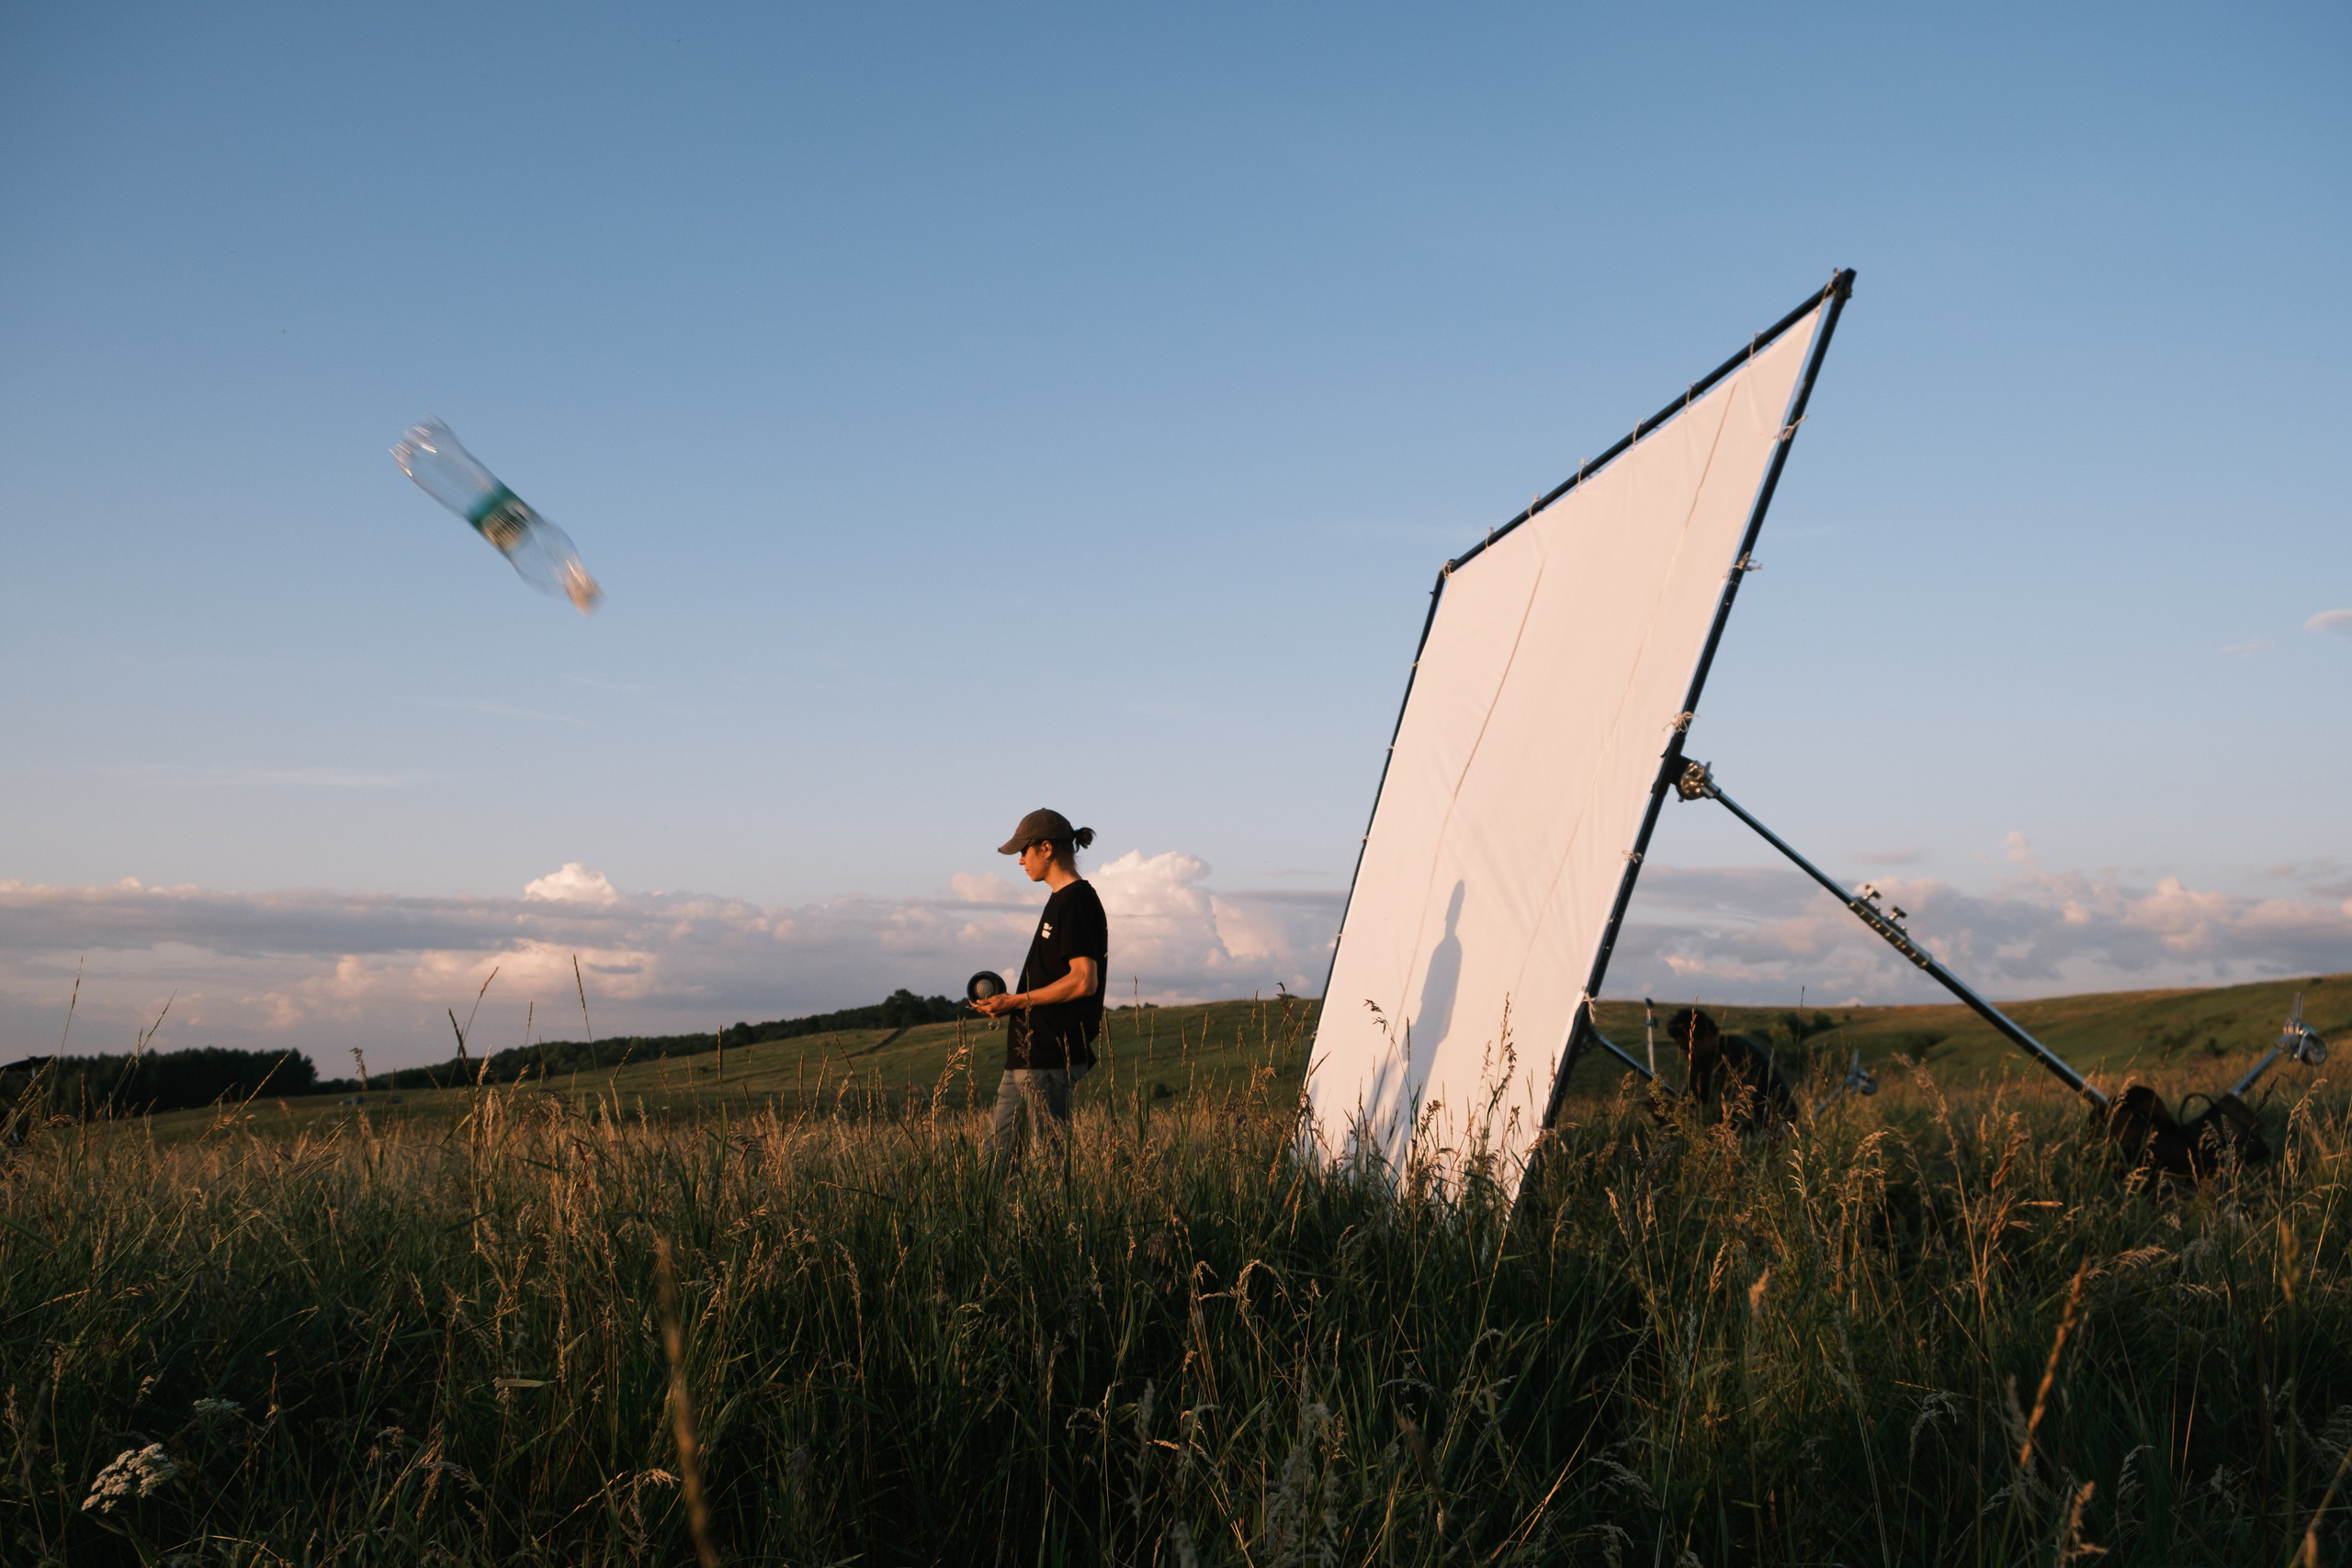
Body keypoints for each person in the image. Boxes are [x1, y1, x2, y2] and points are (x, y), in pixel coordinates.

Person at [971, 808, 1108, 1164]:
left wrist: (1015, 1002)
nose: (1020, 861)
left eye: (1023, 851)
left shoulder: (1077, 900)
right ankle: (987, 1220)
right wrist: (1008, 1003)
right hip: (1026, 1054)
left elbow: (1083, 981)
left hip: (1050, 1055)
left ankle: (1048, 1222)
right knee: (993, 1161)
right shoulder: (1059, 899)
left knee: (1046, 1163)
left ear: (1046, 848)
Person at [1666, 1007, 1797, 1131]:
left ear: (1708, 1037)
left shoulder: (1739, 1052)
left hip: (1774, 1123)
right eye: (1683, 1049)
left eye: (1689, 1048)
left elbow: (1743, 1106)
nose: (1687, 1054)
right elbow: (1692, 1098)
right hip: (1747, 1125)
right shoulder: (1700, 1057)